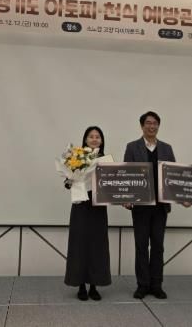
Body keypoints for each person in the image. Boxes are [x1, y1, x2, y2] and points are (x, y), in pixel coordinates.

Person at [123, 111, 189, 300]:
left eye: (155, 123)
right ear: (142, 126)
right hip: (141, 206)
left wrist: (183, 197)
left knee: (158, 246)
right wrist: (126, 197)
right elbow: (127, 173)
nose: (151, 126)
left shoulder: (167, 148)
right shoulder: (132, 147)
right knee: (141, 246)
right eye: (148, 123)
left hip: (161, 206)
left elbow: (174, 177)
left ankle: (156, 285)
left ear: (158, 126)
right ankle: (142, 285)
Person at [64, 126, 112, 300]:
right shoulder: (77, 157)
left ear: (102, 140)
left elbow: (113, 183)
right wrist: (70, 179)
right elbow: (67, 183)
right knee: (79, 244)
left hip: (98, 206)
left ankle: (94, 286)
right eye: (91, 136)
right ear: (85, 139)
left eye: (97, 136)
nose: (94, 139)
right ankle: (81, 286)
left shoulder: (106, 160)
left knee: (97, 245)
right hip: (81, 205)